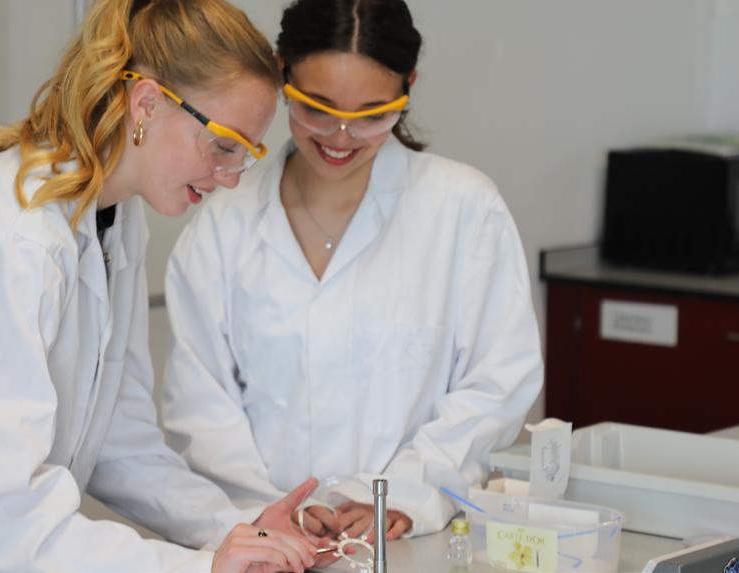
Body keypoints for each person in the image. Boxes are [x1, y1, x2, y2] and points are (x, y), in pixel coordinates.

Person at [0, 0, 324, 571]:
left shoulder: (116, 218)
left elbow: (119, 443)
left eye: (245, 155)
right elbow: (15, 516)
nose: (230, 178)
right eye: (223, 145)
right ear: (147, 103)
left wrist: (241, 529)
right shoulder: (1, 237)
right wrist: (205, 567)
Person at [161, 0, 544, 544]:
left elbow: (496, 385)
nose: (341, 137)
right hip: (265, 541)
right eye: (317, 109)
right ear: (282, 72)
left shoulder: (463, 210)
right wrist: (269, 511)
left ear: (407, 89)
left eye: (372, 115)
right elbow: (201, 407)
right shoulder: (223, 223)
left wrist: (402, 493)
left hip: (409, 540)